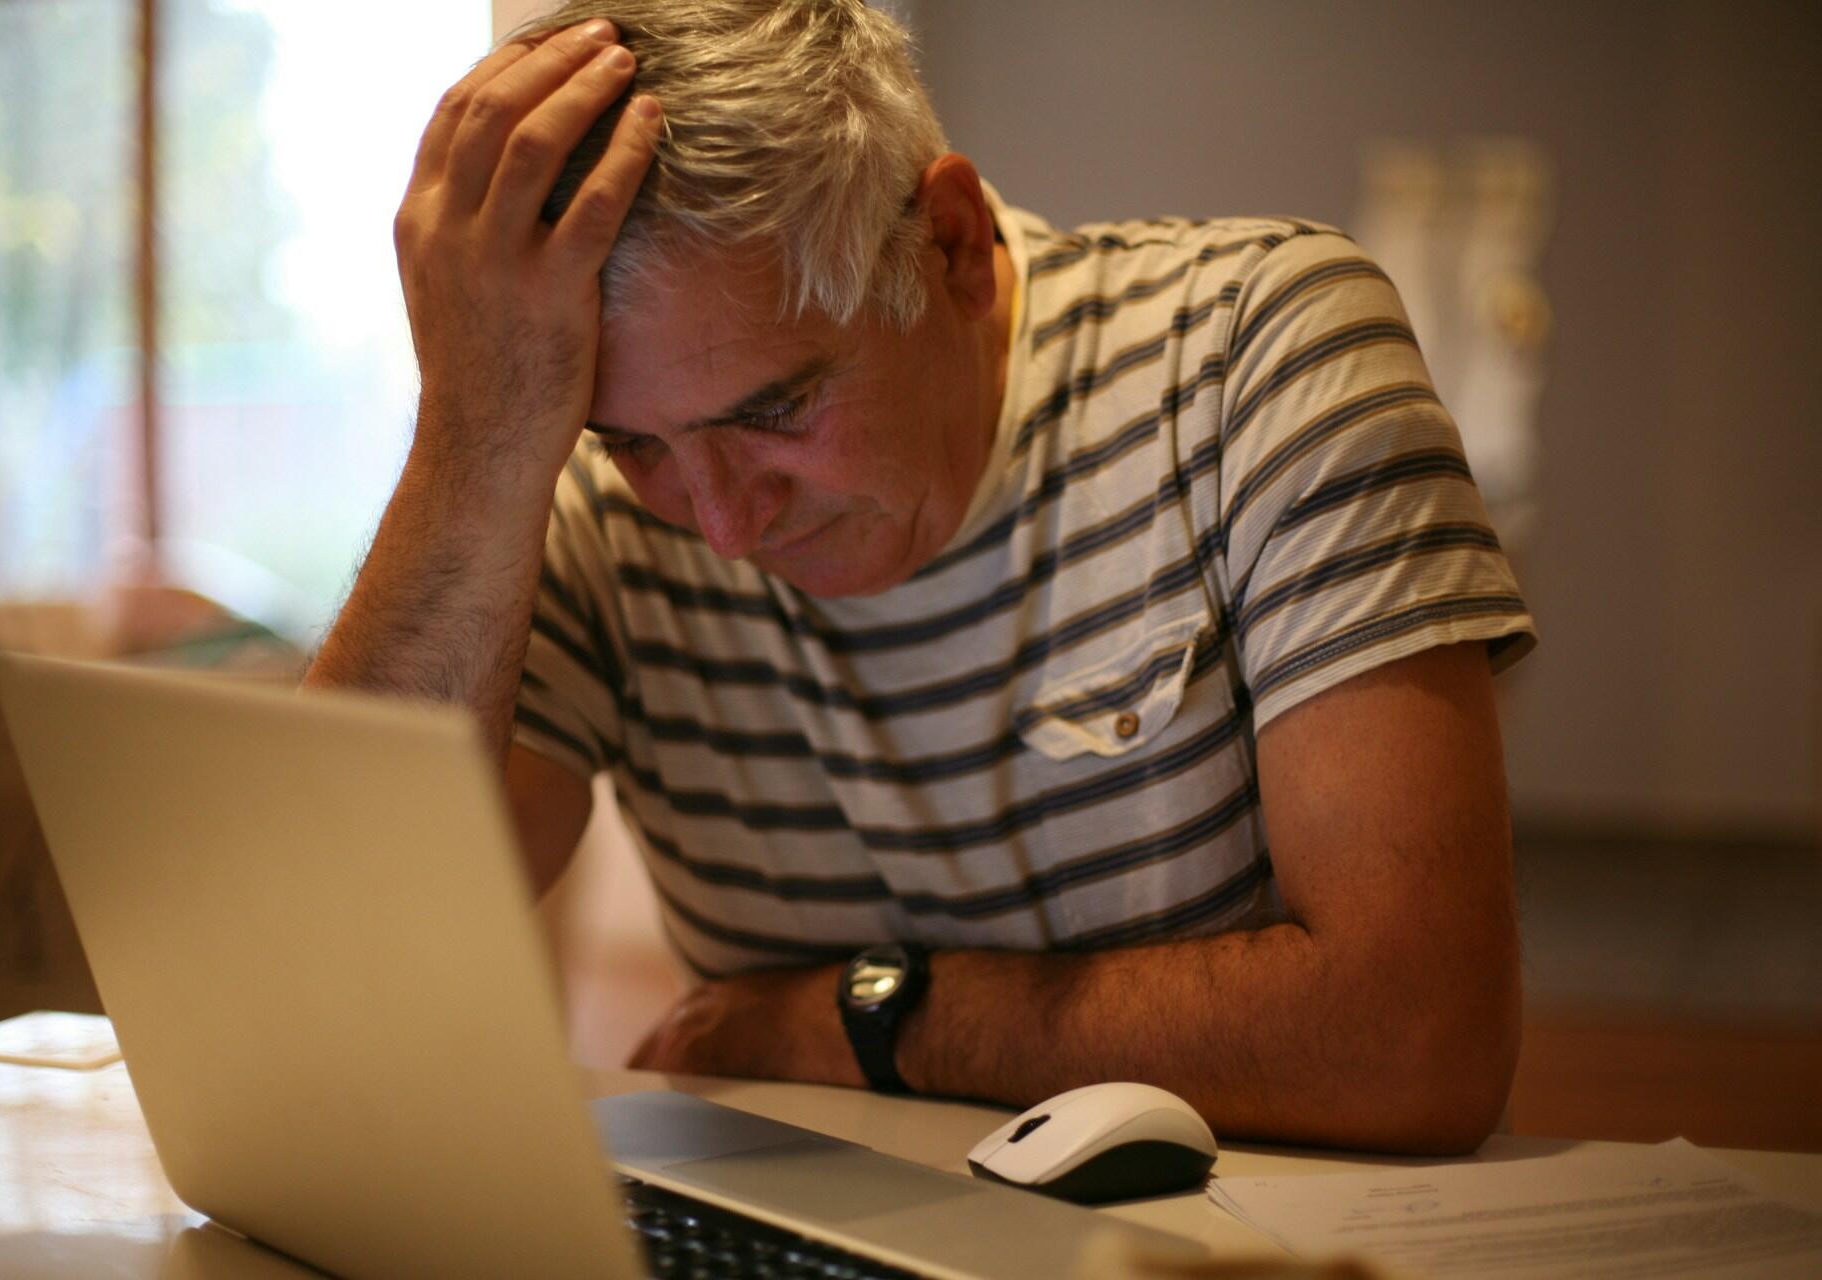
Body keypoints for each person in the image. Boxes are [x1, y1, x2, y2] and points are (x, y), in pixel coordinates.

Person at [306, 0, 1535, 1155]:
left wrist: (853, 1020)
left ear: (950, 248)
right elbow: (325, 985)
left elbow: (1416, 1038)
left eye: (776, 410)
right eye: (630, 440)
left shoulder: (1256, 354)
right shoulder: (600, 523)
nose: (721, 526)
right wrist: (476, 434)